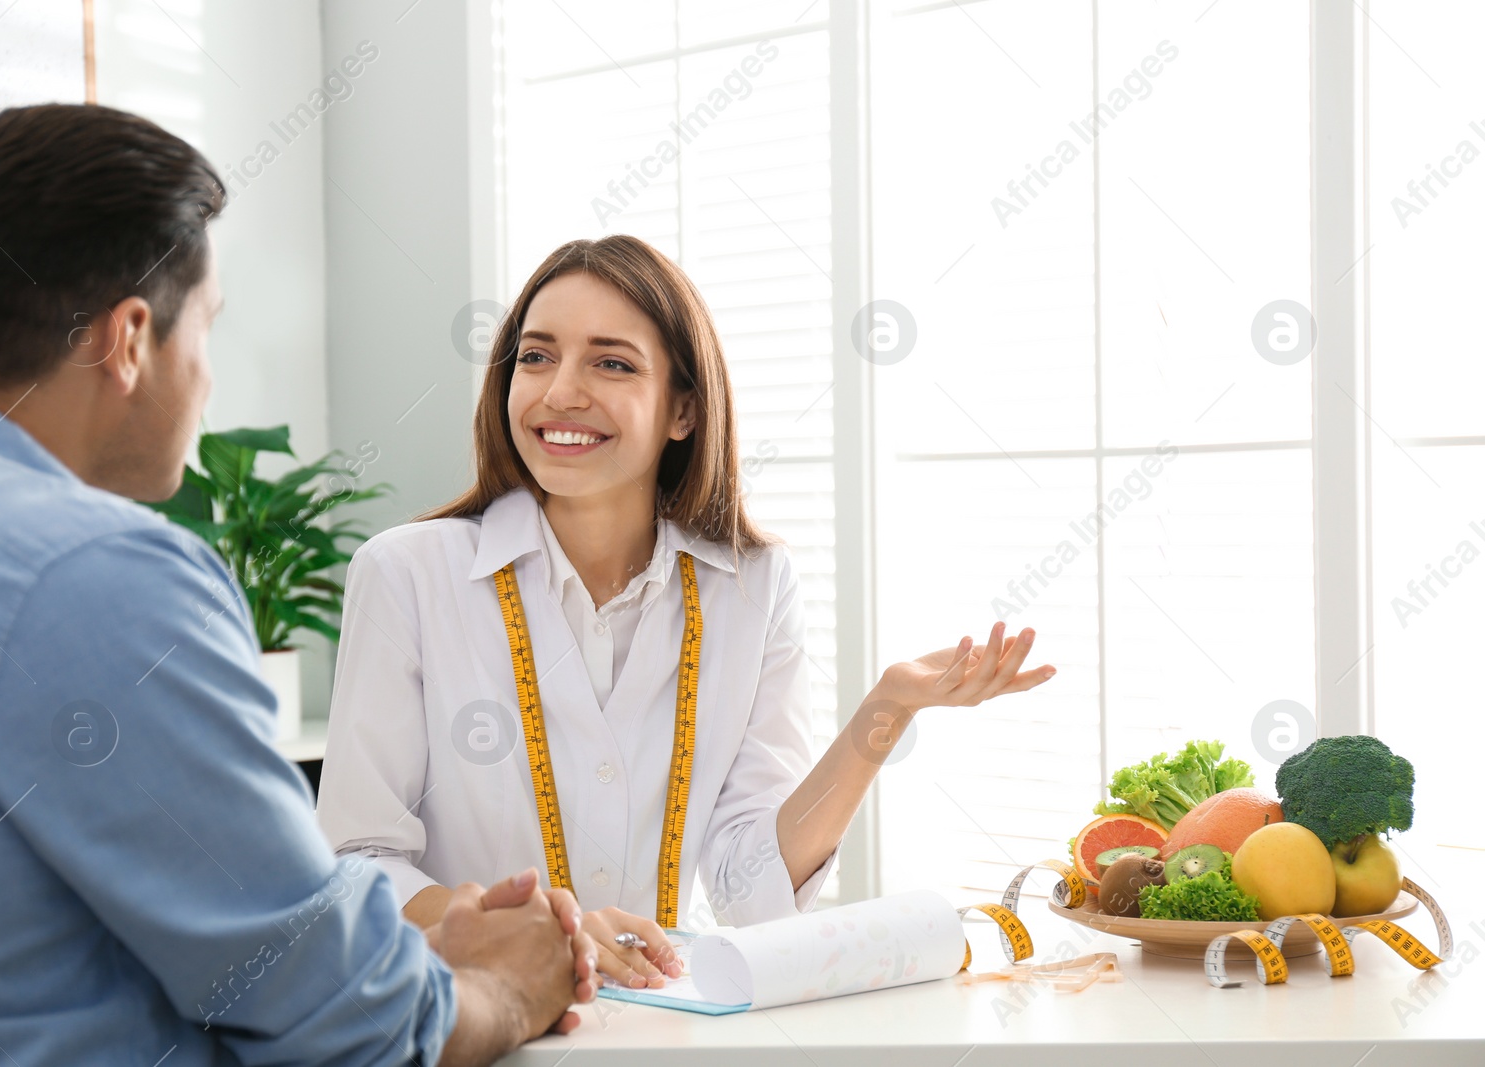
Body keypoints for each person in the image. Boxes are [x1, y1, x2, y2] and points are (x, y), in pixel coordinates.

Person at [0, 103, 597, 1066]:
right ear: (128, 340)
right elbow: (358, 1030)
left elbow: (25, 931)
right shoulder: (95, 574)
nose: (208, 381)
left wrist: (393, 954)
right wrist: (512, 986)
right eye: (206, 331)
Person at [316, 235, 1057, 991]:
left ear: (684, 410)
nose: (559, 391)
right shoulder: (407, 573)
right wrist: (533, 926)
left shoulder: (753, 586)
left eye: (611, 362)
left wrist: (885, 712)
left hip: (657, 1026)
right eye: (535, 357)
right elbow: (355, 866)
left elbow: (748, 884)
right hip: (460, 1021)